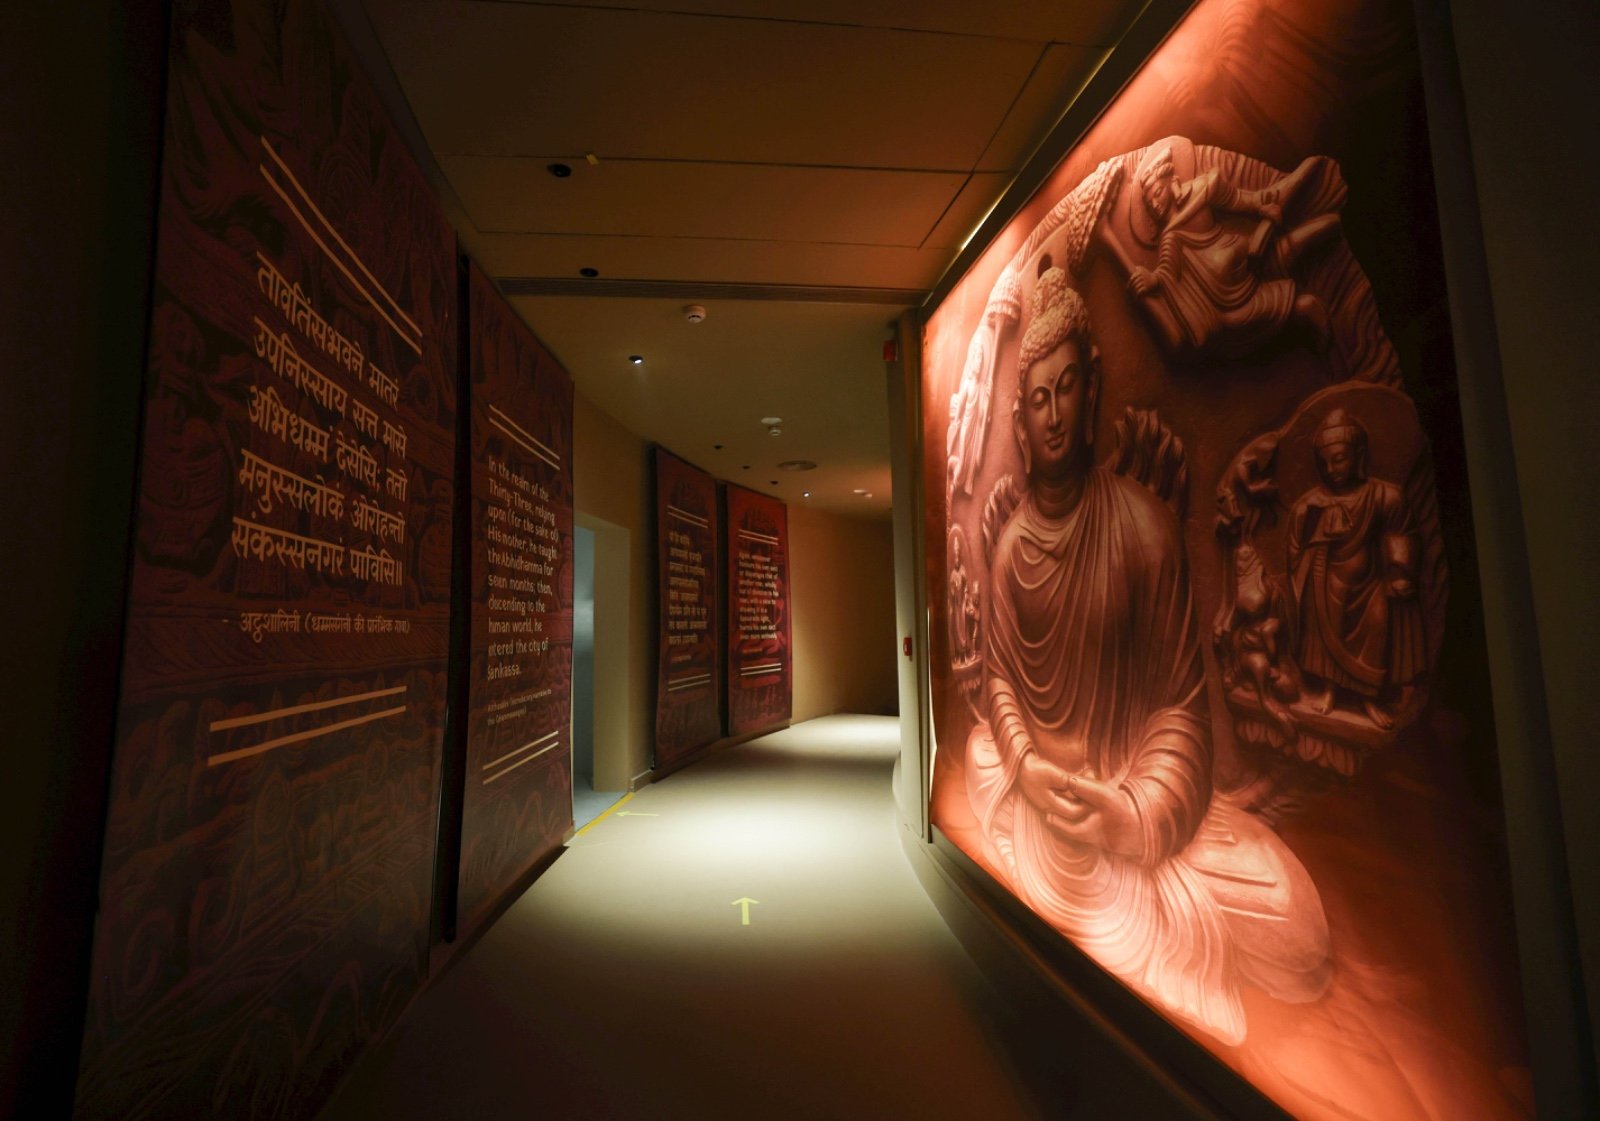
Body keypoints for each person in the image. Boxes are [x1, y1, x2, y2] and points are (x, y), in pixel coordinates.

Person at [967, 266, 1330, 1045]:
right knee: (976, 754)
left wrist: (1134, 813)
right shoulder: (1009, 551)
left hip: (1131, 800)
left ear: (1092, 391)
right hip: (1040, 794)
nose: (1054, 415)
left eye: (1067, 389)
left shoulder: (1144, 527)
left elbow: (1179, 713)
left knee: (1297, 927)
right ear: (1020, 422)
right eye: (1038, 399)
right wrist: (1026, 762)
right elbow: (999, 681)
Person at [1124, 146, 1339, 358]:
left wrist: (1154, 279)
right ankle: (1320, 229)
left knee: (1232, 318)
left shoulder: (1171, 234)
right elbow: (1237, 199)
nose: (1154, 204)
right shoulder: (1200, 192)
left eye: (1157, 193)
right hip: (1238, 250)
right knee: (1275, 258)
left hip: (1222, 286)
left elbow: (1167, 271)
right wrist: (1259, 205)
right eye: (1149, 203)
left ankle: (1302, 307)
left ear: (1172, 181)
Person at [1288, 409, 1425, 728]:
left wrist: (1400, 571)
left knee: (1378, 622)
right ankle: (1329, 690)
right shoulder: (1310, 504)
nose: (1331, 469)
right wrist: (1314, 532)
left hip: (1370, 584)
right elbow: (1295, 548)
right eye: (1324, 463)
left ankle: (1369, 697)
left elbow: (1401, 532)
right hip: (1325, 582)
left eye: (1339, 459)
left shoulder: (1383, 496)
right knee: (1323, 622)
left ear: (1359, 455)